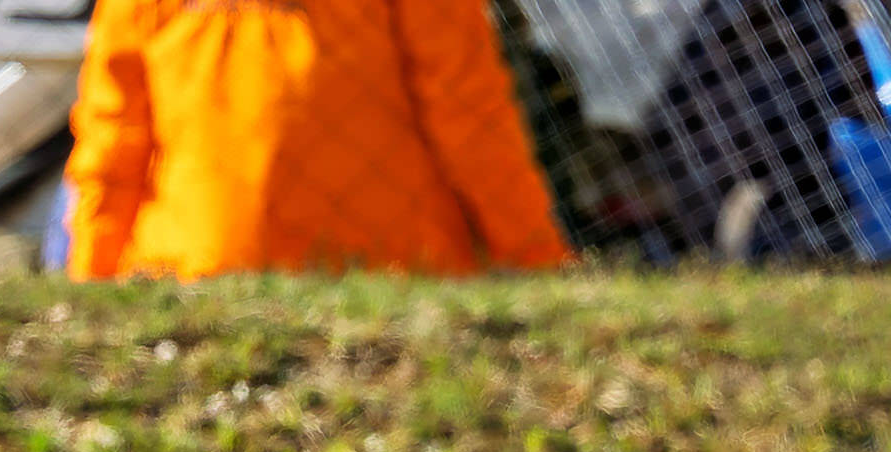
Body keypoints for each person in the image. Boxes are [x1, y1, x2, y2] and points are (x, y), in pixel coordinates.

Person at [64, 0, 574, 280]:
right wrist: (537, 257)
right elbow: (472, 126)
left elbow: (112, 145)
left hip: (197, 275)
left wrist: (92, 277)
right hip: (395, 276)